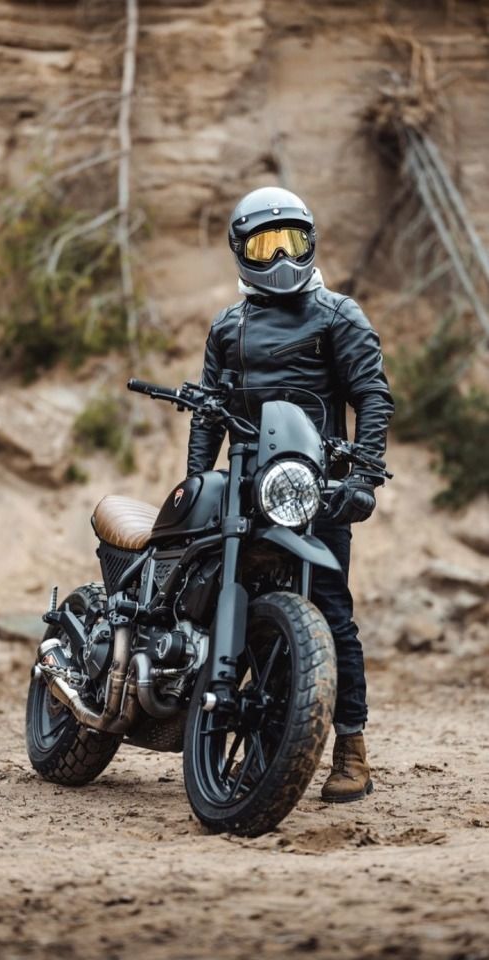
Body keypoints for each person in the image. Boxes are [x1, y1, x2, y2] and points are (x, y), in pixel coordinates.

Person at [186, 186, 394, 803]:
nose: (279, 256)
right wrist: (199, 483)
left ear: (310, 243)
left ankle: (350, 746)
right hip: (245, 490)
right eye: (263, 243)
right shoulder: (229, 327)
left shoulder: (339, 314)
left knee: (331, 610)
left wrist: (363, 476)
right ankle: (252, 738)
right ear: (240, 250)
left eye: (291, 241)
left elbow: (372, 395)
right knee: (232, 604)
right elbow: (208, 416)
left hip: (316, 489)